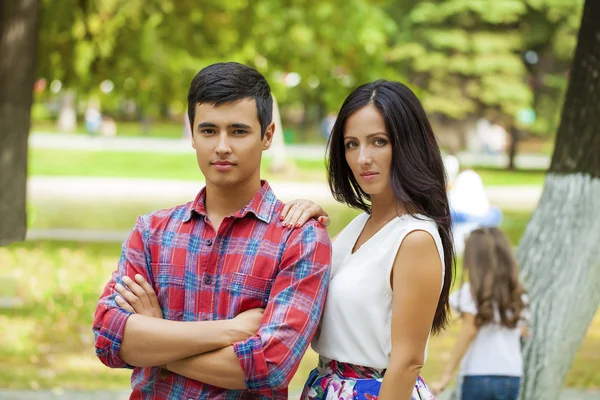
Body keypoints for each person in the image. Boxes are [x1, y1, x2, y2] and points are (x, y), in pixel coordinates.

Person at [92, 62, 332, 399]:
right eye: (208, 131)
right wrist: (230, 331)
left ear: (267, 136)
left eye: (238, 131)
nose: (222, 146)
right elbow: (108, 339)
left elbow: (270, 365)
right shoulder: (151, 233)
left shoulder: (299, 238)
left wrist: (157, 341)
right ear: (192, 134)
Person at [281, 80, 455, 400]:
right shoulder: (360, 225)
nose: (363, 158)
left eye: (378, 141)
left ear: (407, 144)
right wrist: (313, 232)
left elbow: (408, 362)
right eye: (351, 144)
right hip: (326, 384)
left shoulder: (414, 237)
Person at [430, 227, 530, 400]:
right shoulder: (518, 295)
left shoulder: (472, 293)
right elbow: (523, 330)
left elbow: (469, 330)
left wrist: (446, 375)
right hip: (511, 375)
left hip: (479, 374)